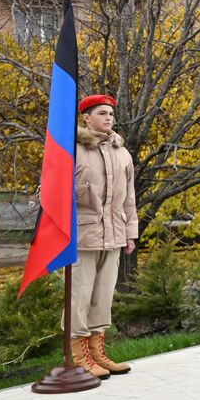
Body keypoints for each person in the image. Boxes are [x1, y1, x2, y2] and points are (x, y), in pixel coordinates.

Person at [69, 95, 138, 379]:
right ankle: (77, 355)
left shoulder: (122, 153)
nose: (108, 118)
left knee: (102, 297)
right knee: (79, 297)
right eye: (101, 113)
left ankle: (97, 352)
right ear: (86, 117)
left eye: (111, 113)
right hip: (82, 235)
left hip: (114, 234)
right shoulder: (72, 149)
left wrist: (130, 234)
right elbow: (50, 190)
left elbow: (129, 198)